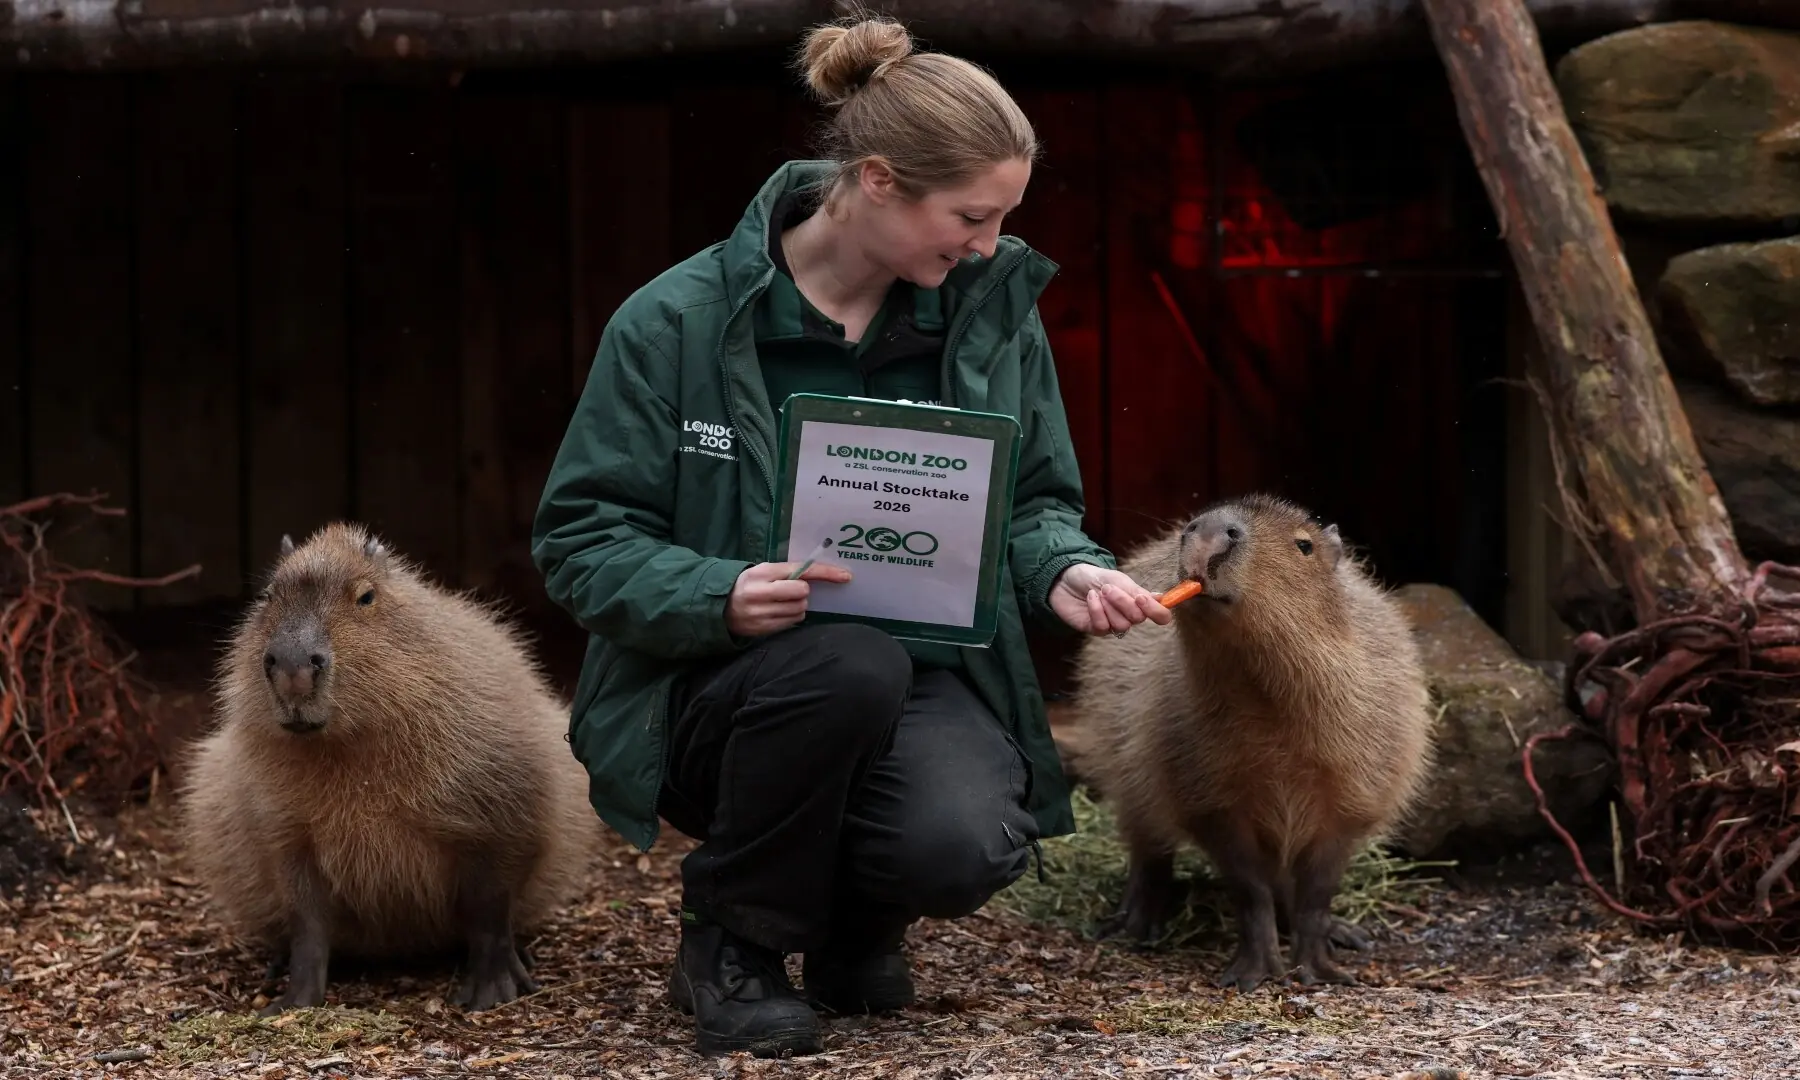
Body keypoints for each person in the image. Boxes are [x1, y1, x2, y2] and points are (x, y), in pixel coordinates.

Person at [531, 10, 1172, 1059]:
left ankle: (849, 925)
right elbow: (580, 538)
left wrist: (1062, 568)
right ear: (878, 181)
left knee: (963, 844)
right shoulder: (676, 322)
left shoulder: (988, 316)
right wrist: (718, 592)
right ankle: (730, 946)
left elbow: (1035, 503)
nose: (989, 245)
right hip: (715, 689)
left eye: (1002, 217)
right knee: (843, 666)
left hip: (912, 676)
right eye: (971, 216)